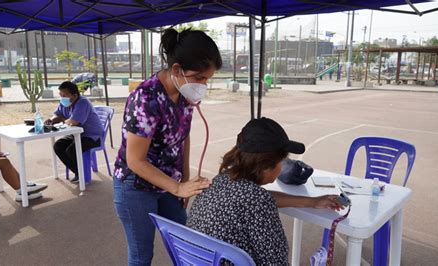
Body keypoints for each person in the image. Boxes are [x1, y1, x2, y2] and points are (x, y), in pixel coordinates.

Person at [113, 28, 222, 265]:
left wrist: (183, 178)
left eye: (207, 80)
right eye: (200, 78)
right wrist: (176, 187)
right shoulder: (145, 98)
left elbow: (183, 135)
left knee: (188, 242)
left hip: (168, 180)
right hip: (136, 184)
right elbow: (135, 160)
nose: (203, 85)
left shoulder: (185, 94)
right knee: (142, 255)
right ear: (176, 70)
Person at [187, 117, 343, 265]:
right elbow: (276, 262)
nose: (282, 168)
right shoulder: (257, 201)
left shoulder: (221, 180)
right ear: (265, 165)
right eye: (282, 162)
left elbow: (260, 199)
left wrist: (312, 202)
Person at [45, 81, 103, 183]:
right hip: (76, 134)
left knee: (71, 150)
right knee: (58, 146)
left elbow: (73, 122)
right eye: (60, 95)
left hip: (92, 137)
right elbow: (57, 114)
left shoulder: (82, 102)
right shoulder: (64, 102)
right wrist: (51, 120)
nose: (62, 97)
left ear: (74, 95)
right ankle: (79, 172)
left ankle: (83, 174)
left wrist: (62, 120)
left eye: (64, 95)